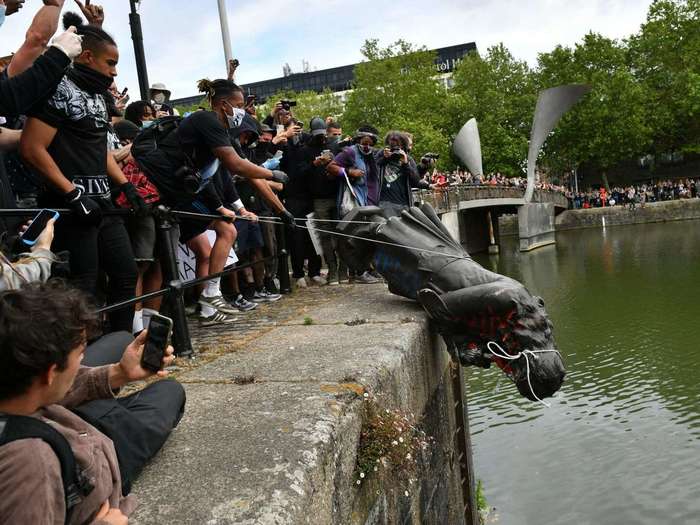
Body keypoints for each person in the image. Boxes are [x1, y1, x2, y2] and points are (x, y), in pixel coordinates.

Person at [0, 281, 185, 524]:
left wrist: (119, 372)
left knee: (120, 338)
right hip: (93, 456)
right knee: (170, 391)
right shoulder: (31, 464)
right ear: (50, 373)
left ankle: (111, 387)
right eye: (80, 354)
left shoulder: (20, 382)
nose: (84, 357)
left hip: (59, 414)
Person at [19, 13, 145, 333]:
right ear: (87, 57)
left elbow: (97, 148)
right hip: (70, 207)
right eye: (110, 63)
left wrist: (126, 186)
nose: (114, 72)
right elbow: (32, 148)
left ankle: (117, 350)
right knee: (83, 286)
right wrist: (71, 192)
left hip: (103, 203)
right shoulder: (57, 87)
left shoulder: (99, 96)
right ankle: (77, 367)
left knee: (125, 274)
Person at [132, 78, 293, 324]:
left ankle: (205, 301)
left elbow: (247, 173)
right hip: (166, 191)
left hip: (182, 192)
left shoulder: (222, 133)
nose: (241, 110)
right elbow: (236, 165)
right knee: (219, 232)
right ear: (223, 104)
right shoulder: (206, 120)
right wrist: (272, 173)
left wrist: (282, 211)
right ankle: (208, 296)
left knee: (164, 264)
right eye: (239, 104)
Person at [376, 131, 427, 217]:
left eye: (398, 147)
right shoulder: (382, 154)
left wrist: (406, 164)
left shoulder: (408, 159)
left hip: (404, 204)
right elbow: (371, 168)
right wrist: (384, 158)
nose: (395, 149)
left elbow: (415, 181)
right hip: (384, 202)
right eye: (392, 146)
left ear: (403, 146)